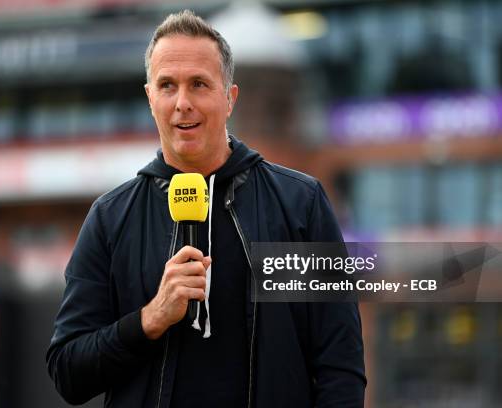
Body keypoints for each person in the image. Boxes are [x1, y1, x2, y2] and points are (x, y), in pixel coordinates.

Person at [46, 9, 366, 408]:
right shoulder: (111, 218)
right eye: (167, 85)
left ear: (229, 98)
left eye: (199, 84)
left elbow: (340, 362)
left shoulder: (300, 204)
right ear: (150, 98)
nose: (183, 103)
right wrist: (150, 319)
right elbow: (67, 372)